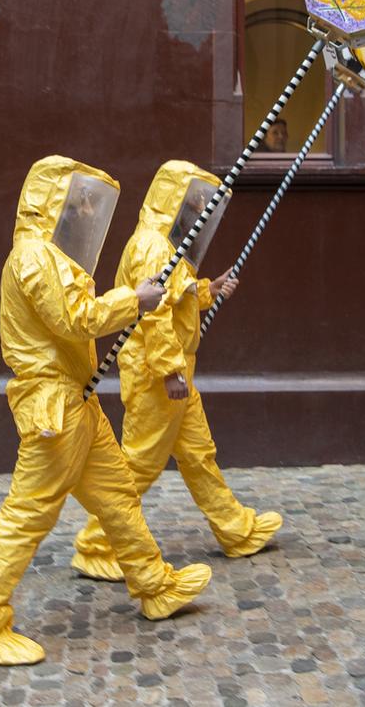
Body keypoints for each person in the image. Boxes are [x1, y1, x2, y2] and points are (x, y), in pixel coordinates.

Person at [0, 155, 214, 667]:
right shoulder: (32, 258)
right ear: (52, 202)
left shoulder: (48, 256)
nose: (87, 211)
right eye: (80, 201)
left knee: (117, 496)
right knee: (29, 511)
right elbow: (77, 319)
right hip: (55, 406)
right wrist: (134, 300)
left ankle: (153, 583)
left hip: (78, 399)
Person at [69, 160, 282, 583]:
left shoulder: (167, 246)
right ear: (174, 197)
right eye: (195, 199)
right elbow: (154, 316)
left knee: (199, 454)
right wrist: (170, 371)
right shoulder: (152, 246)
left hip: (176, 370)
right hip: (157, 377)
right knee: (139, 463)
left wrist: (209, 289)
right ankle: (97, 543)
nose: (200, 207)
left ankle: (234, 529)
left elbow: (178, 296)